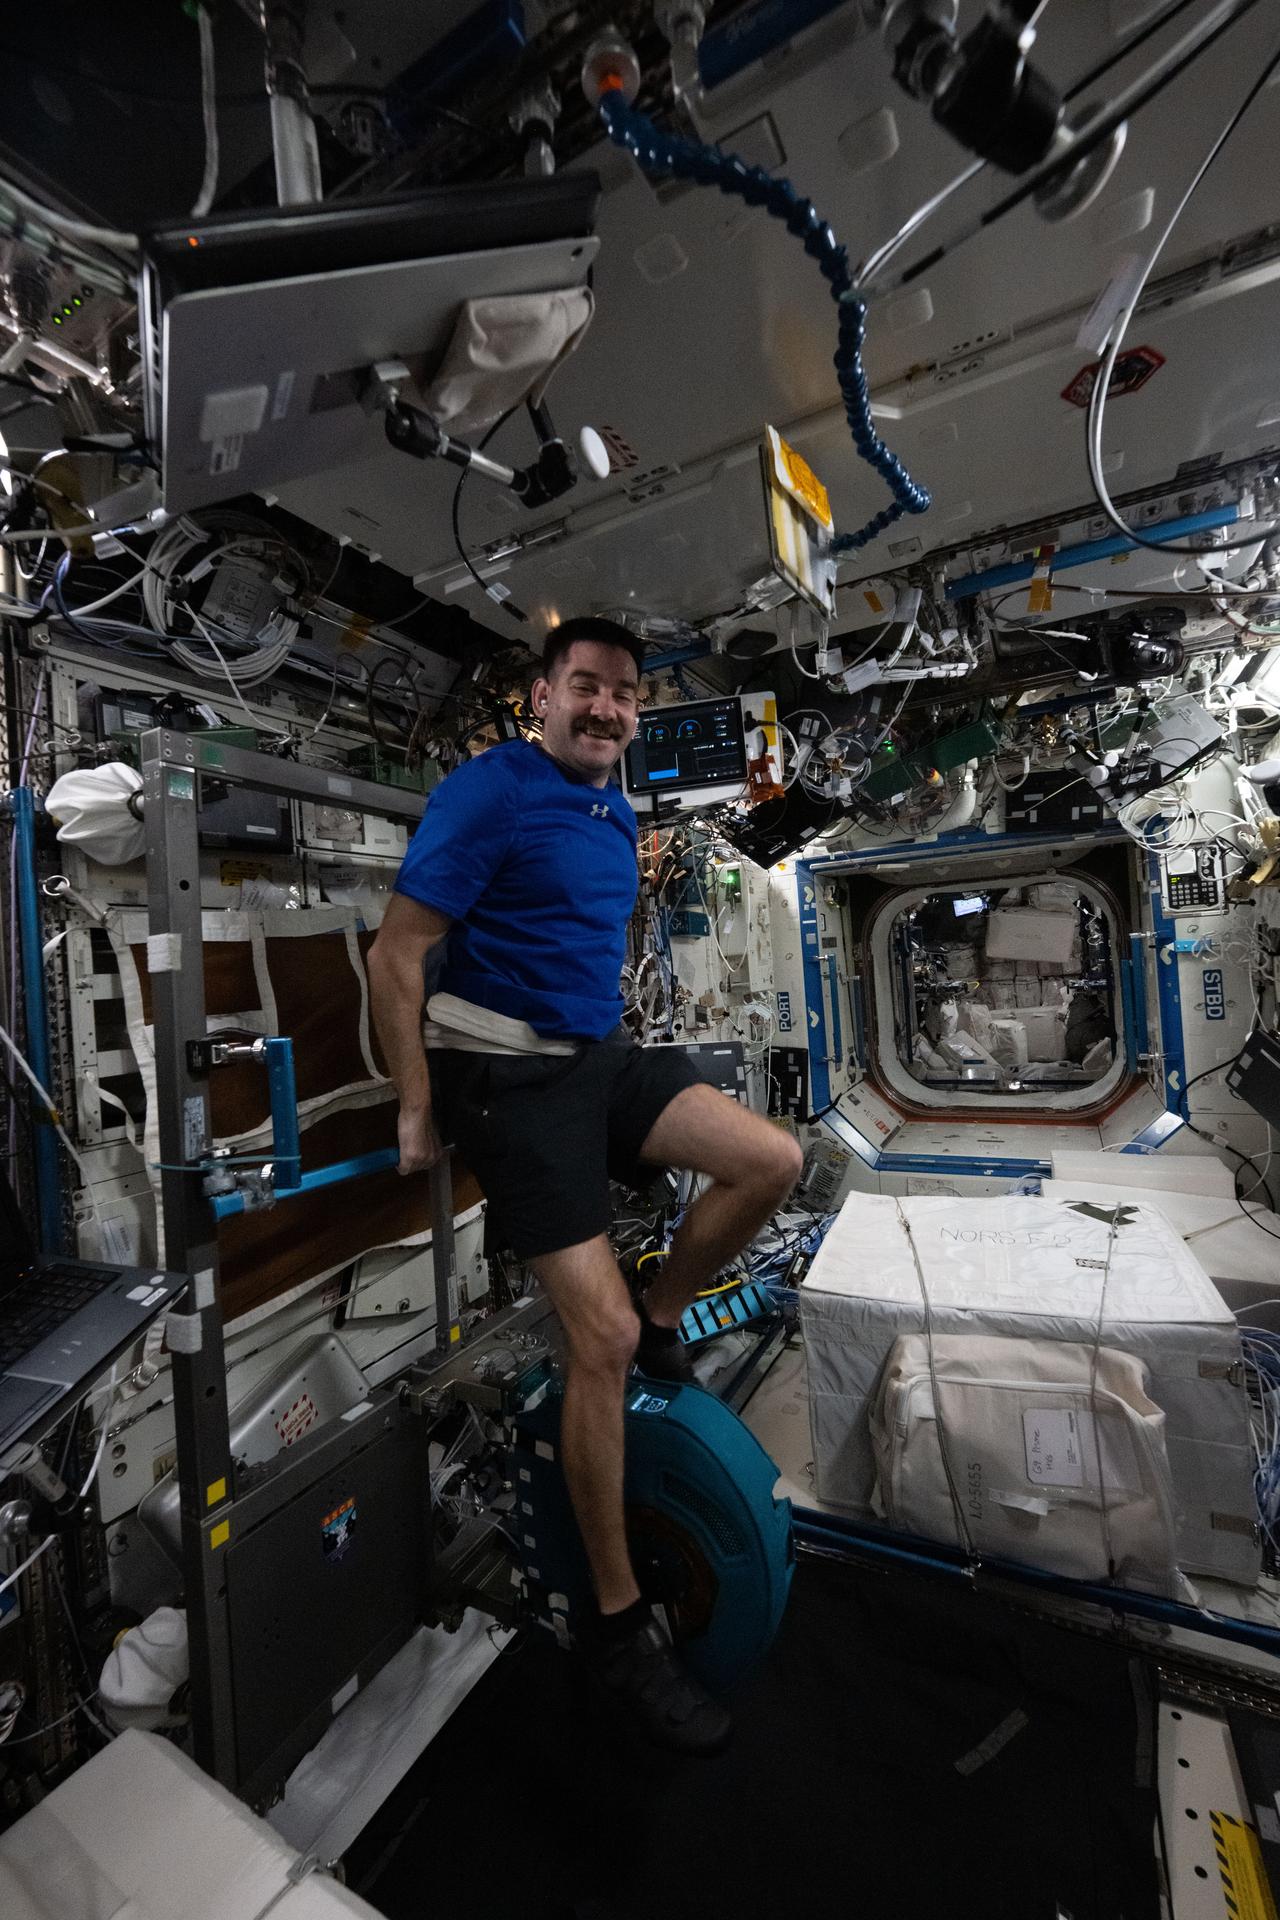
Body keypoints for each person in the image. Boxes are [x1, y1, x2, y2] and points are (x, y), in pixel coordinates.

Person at [367, 615, 802, 1756]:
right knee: (592, 1343)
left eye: (621, 694)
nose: (604, 708)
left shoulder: (616, 810)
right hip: (505, 1077)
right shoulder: (491, 789)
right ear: (542, 698)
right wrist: (417, 1101)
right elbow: (396, 953)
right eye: (584, 688)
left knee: (771, 1162)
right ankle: (616, 1627)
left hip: (594, 1059)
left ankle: (667, 1316)